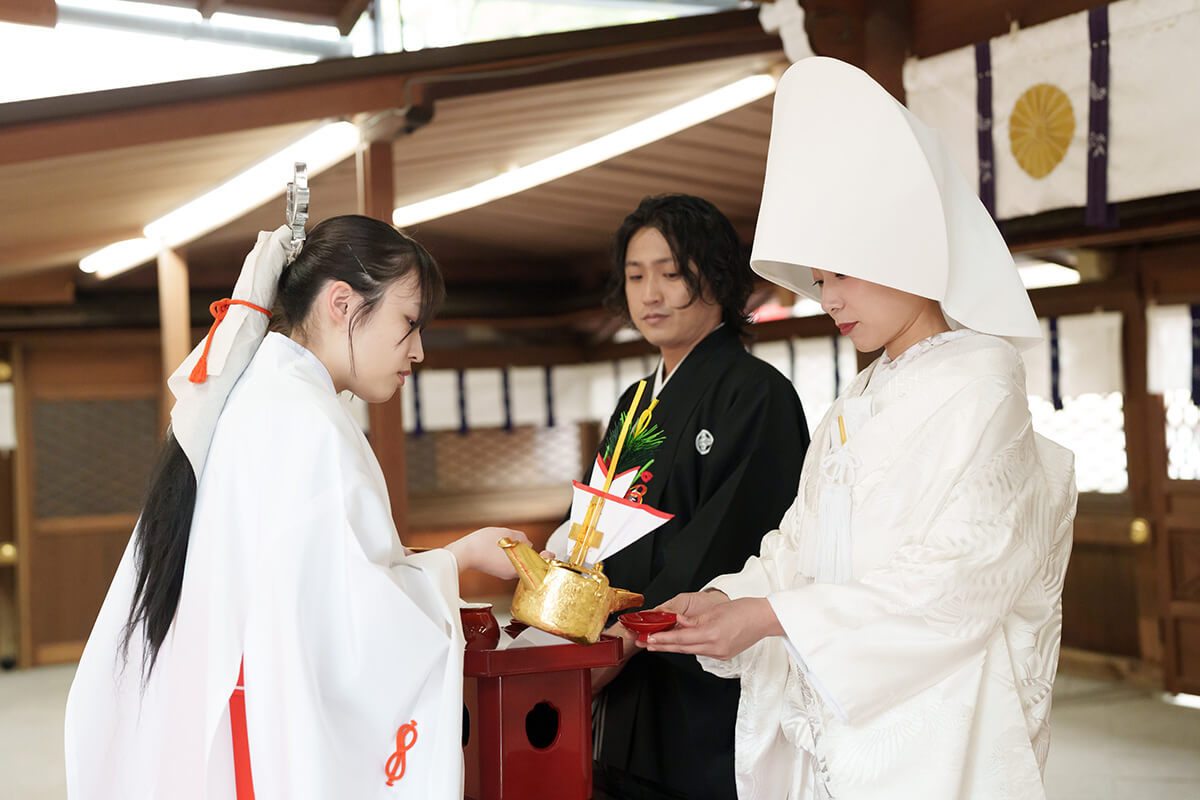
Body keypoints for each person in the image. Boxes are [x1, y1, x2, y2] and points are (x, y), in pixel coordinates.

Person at [642, 58, 1077, 800]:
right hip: (837, 701)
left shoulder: (980, 379)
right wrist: (729, 598)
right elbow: (801, 543)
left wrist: (774, 616)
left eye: (842, 274)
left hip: (934, 723)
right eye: (819, 281)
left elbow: (959, 576)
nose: (828, 299)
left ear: (906, 254)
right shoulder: (859, 396)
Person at [65, 216, 530, 799]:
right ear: (341, 302)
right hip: (276, 725)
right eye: (408, 322)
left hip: (244, 709)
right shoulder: (308, 423)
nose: (417, 349)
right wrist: (459, 558)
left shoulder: (268, 394)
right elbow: (349, 622)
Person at [559, 194, 810, 799]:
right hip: (618, 676)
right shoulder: (634, 404)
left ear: (718, 277)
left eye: (671, 274)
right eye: (635, 276)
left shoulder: (757, 396)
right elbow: (594, 526)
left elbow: (726, 538)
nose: (650, 294)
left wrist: (631, 636)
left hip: (702, 679)